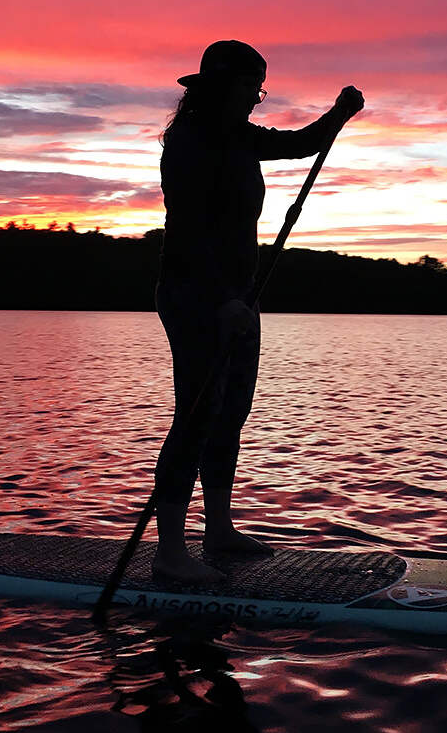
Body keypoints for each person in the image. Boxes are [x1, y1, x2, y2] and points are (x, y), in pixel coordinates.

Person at [152, 40, 364, 583]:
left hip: (240, 297)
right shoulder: (190, 142)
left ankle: (218, 530)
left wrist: (339, 114)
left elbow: (300, 145)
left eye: (259, 88)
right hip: (197, 294)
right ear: (224, 86)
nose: (256, 98)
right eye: (251, 87)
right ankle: (170, 553)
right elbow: (191, 231)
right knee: (197, 415)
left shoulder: (238, 136)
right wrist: (221, 300)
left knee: (231, 414)